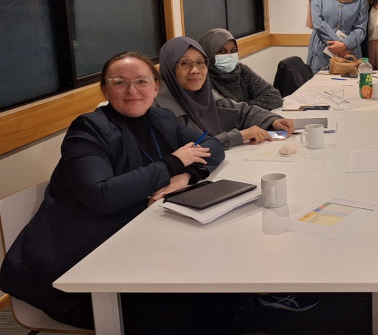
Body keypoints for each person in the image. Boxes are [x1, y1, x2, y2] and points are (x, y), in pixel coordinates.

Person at [0, 51, 225, 329]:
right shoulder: (88, 130)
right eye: (119, 83)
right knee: (196, 313)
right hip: (74, 268)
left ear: (156, 87)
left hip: (133, 248)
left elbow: (213, 146)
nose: (132, 91)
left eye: (141, 81)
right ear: (105, 90)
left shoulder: (161, 118)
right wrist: (173, 163)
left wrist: (186, 176)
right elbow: (102, 195)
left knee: (217, 287)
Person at [155, 37, 294, 150]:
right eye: (185, 63)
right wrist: (239, 136)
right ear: (169, 68)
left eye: (200, 62)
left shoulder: (206, 94)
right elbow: (191, 149)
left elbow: (241, 111)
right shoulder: (159, 107)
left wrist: (273, 120)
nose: (195, 70)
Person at [306, 0, 369, 73]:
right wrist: (340, 46)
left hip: (350, 51)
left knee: (350, 83)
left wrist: (345, 45)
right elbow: (318, 22)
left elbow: (361, 28)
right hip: (322, 49)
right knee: (320, 83)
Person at [199, 28, 284, 111]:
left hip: (251, 118)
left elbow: (275, 97)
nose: (230, 55)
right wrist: (245, 109)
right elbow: (222, 110)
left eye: (233, 50)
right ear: (208, 54)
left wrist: (241, 109)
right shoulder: (202, 77)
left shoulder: (242, 70)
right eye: (223, 51)